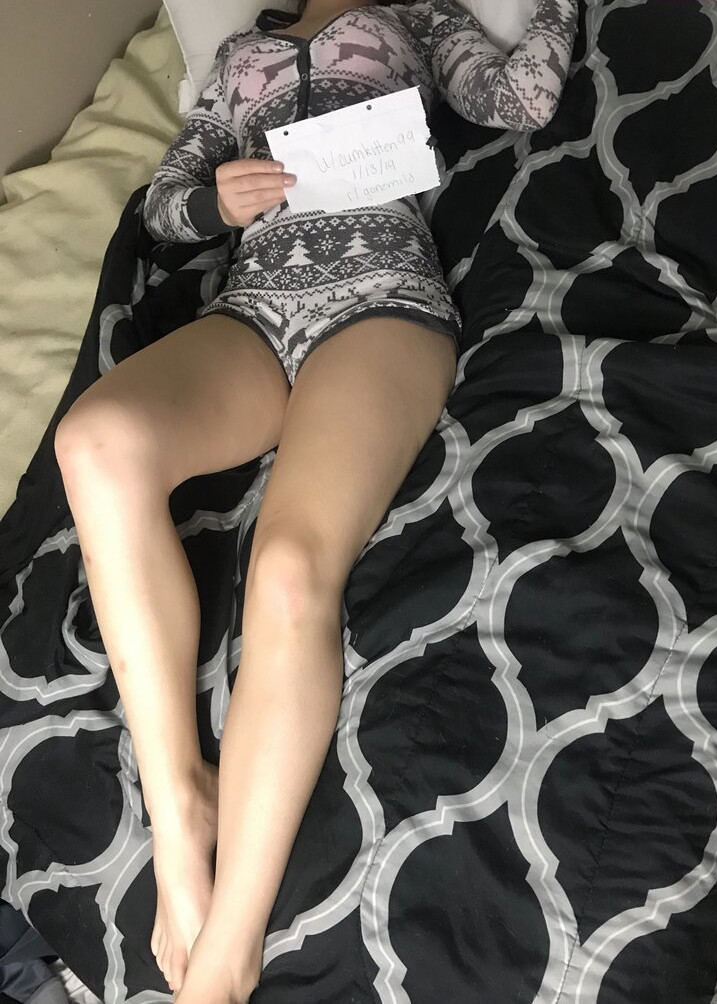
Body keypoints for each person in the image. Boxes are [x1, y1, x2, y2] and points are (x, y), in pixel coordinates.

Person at [52, 1, 578, 1001]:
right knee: (94, 442)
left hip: (382, 301)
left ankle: (227, 956)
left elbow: (520, 100)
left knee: (290, 570)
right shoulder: (242, 49)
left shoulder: (419, 15)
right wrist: (217, 203)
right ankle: (182, 805)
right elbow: (164, 205)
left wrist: (555, 7)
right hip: (253, 307)